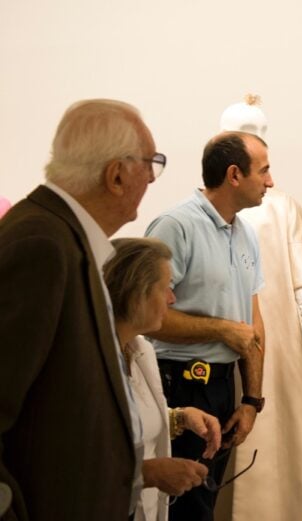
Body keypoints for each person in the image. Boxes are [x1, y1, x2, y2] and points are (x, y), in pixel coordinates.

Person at [0, 99, 162, 520]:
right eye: (151, 164)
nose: (151, 178)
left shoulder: (66, 241)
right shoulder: (42, 245)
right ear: (116, 174)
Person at [219, 95, 302, 521]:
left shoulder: (282, 206)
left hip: (278, 345)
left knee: (277, 445)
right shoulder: (207, 212)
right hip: (226, 344)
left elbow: (301, 285)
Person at [144, 131, 271, 521]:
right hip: (179, 385)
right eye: (264, 171)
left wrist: (251, 401)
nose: (270, 181)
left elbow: (253, 324)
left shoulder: (246, 232)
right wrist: (221, 330)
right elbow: (147, 317)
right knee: (180, 509)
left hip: (222, 386)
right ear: (235, 175)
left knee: (203, 506)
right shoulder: (174, 227)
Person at [104, 237, 228, 521]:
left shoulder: (141, 350)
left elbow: (132, 424)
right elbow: (73, 458)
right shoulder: (85, 361)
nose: (173, 299)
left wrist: (179, 418)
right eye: (167, 288)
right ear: (137, 293)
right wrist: (148, 474)